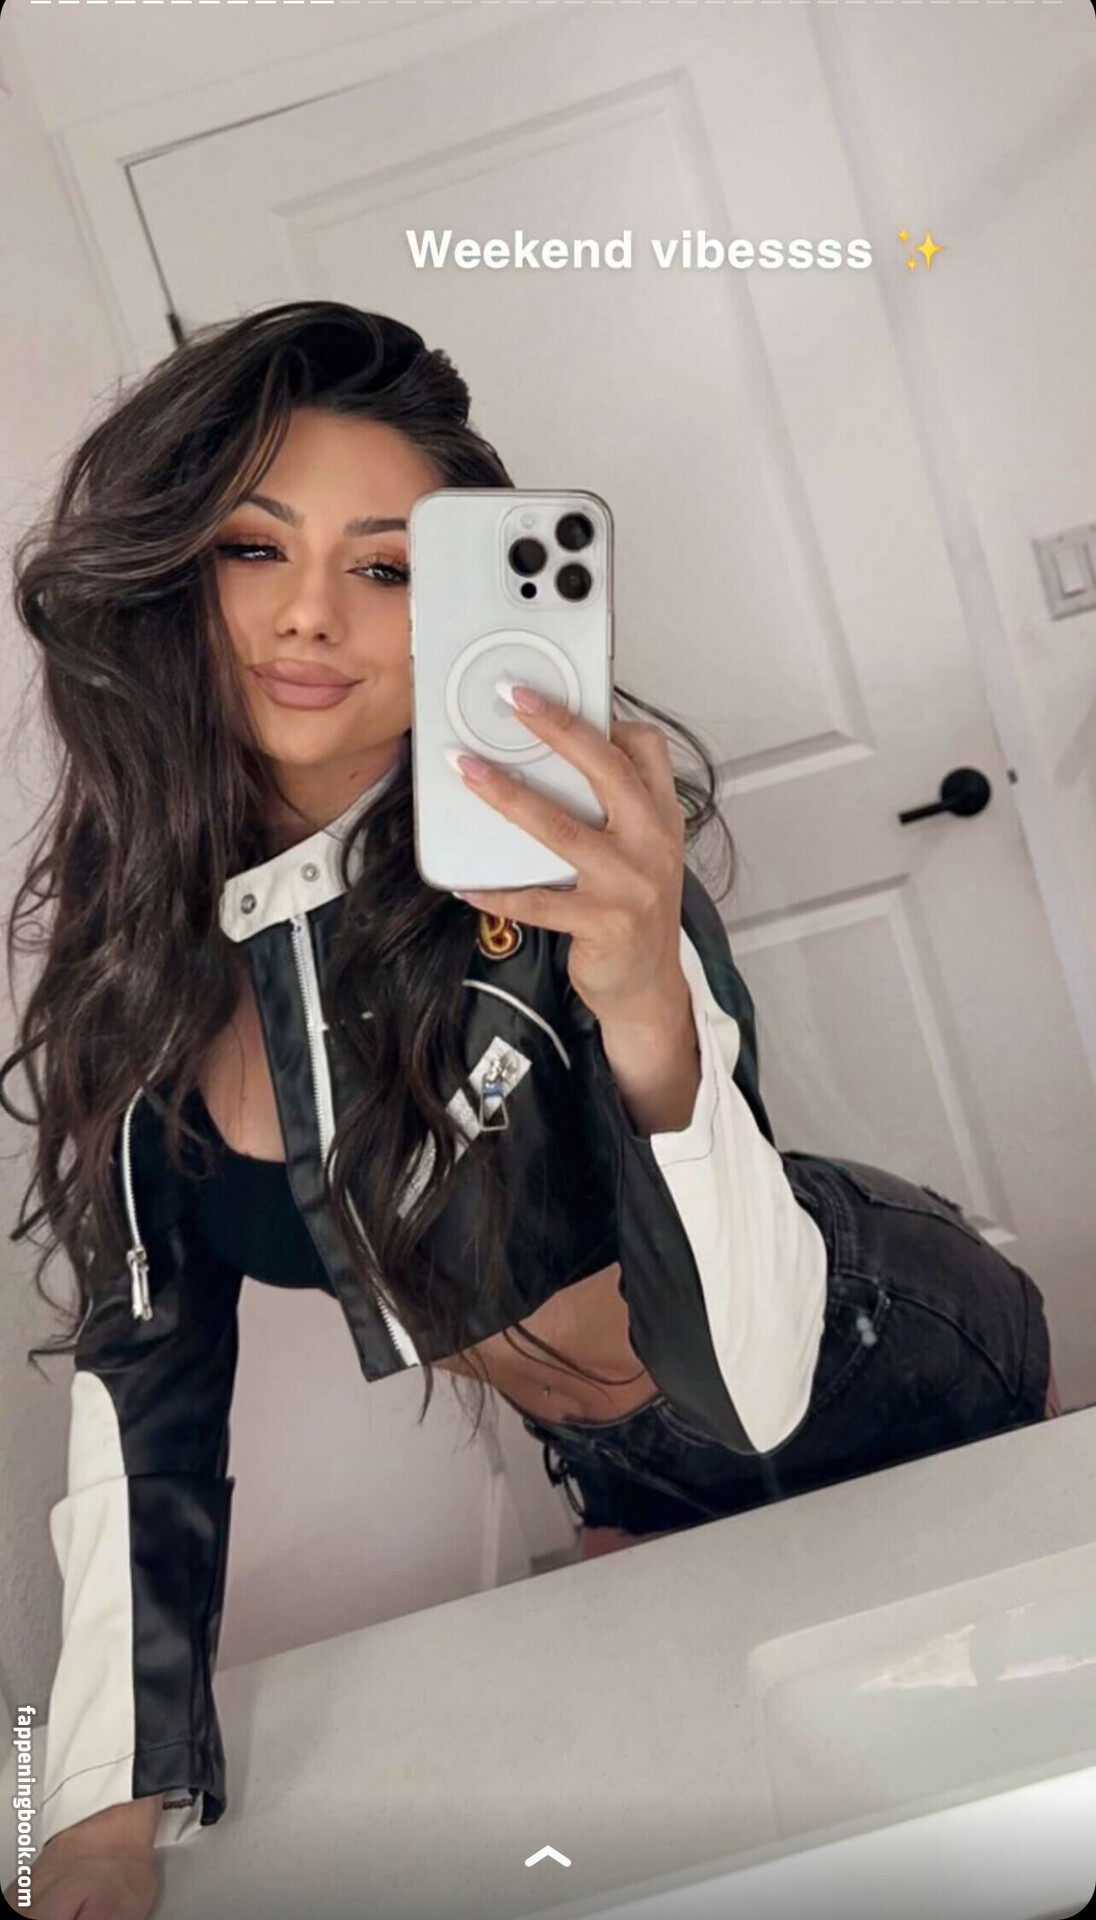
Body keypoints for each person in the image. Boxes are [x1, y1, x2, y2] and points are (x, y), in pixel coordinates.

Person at [1, 302, 1057, 1920]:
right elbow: (142, 1383)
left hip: (866, 1354)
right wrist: (91, 1807)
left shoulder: (564, 868)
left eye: (385, 568)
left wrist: (644, 988)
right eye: (252, 548)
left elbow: (752, 1378)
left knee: (991, 1817)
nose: (308, 615)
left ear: (456, 608)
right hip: (613, 1459)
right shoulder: (141, 956)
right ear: (169, 574)